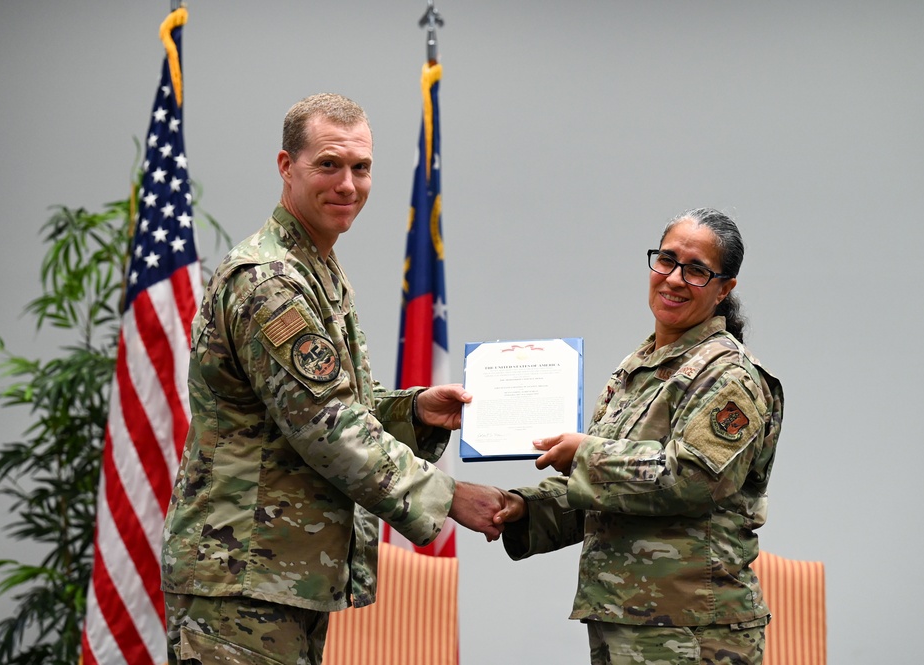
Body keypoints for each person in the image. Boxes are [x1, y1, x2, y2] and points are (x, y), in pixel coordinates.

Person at [161, 93, 503, 665]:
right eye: (328, 164)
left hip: (277, 574)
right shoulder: (271, 284)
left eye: (360, 167)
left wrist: (415, 412)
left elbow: (316, 406)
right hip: (242, 573)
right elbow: (326, 426)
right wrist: (446, 496)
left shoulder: (313, 267)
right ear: (285, 166)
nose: (347, 184)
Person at [494, 208, 784, 665]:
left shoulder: (728, 375)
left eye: (696, 270)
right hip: (626, 619)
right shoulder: (640, 368)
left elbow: (692, 478)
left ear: (725, 288)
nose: (673, 278)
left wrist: (585, 455)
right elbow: (608, 491)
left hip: (693, 632)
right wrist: (522, 510)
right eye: (666, 260)